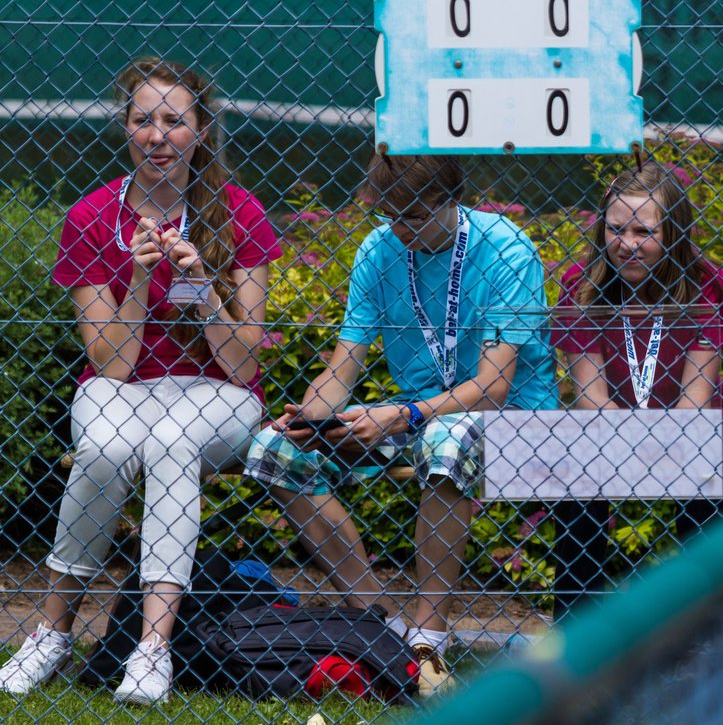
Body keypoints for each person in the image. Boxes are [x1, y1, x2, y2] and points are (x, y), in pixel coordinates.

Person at [0, 57, 281, 703]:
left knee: (174, 436)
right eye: (143, 120)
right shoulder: (93, 216)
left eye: (174, 121)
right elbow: (113, 364)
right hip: (124, 386)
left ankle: (151, 649)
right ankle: (52, 631)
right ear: (126, 129)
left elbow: (242, 364)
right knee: (105, 446)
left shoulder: (239, 212)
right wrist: (139, 277)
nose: (158, 135)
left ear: (201, 132)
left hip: (216, 394)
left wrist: (204, 287)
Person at [243, 153, 558, 695]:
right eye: (389, 215)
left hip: (511, 419)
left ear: (451, 200)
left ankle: (427, 641)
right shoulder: (379, 246)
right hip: (411, 415)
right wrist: (312, 416)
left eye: (412, 216)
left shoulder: (506, 247)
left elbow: (493, 385)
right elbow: (344, 364)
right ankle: (379, 624)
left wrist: (400, 415)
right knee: (274, 451)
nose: (398, 229)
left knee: (446, 437)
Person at [550, 162, 723, 598]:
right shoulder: (581, 286)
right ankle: (577, 627)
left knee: (708, 450)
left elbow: (695, 399)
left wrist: (653, 441)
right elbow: (590, 396)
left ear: (673, 233)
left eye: (644, 232)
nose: (627, 244)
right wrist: (627, 438)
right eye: (616, 229)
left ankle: (705, 608)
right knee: (576, 459)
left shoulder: (703, 285)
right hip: (607, 420)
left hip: (692, 420)